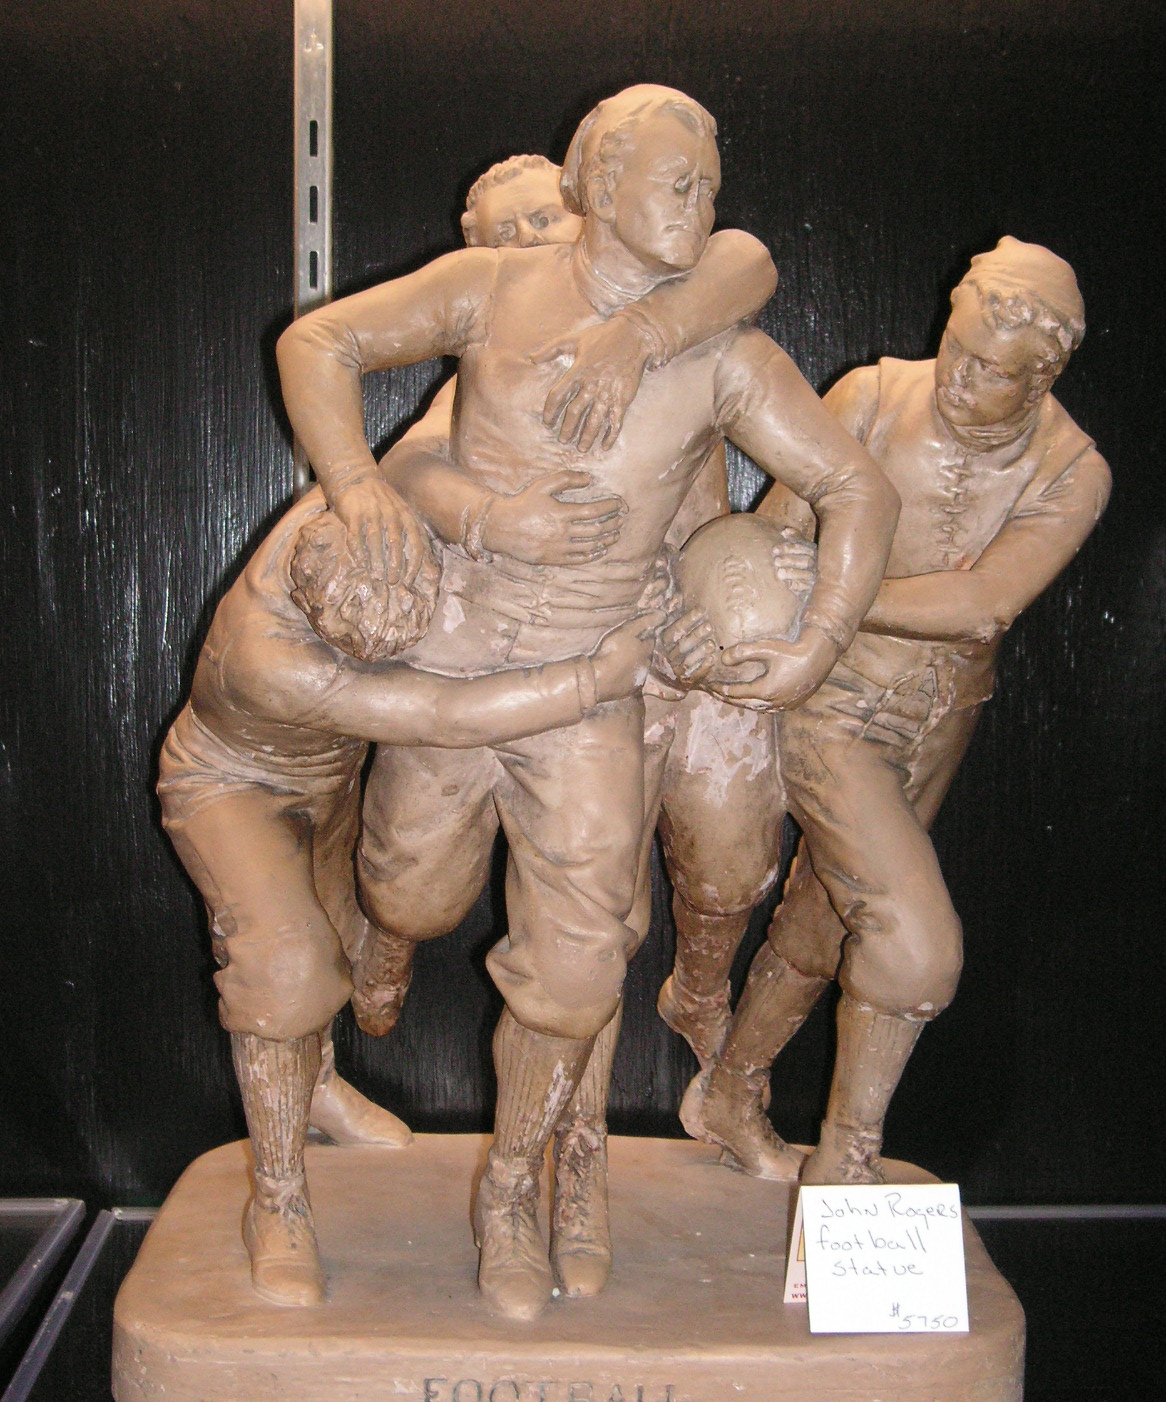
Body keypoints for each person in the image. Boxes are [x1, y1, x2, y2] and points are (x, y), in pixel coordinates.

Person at [276, 84, 899, 1318]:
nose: (701, 208)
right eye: (678, 184)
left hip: (592, 694)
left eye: (710, 189)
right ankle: (390, 931)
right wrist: (360, 488)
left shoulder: (720, 354)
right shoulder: (493, 288)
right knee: (412, 890)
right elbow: (317, 345)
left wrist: (820, 640)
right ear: (600, 184)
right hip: (457, 664)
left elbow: (857, 490)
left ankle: (516, 1187)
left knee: (572, 972)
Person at [354, 148, 788, 1302]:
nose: (530, 247)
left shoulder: (674, 317)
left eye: (544, 219)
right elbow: (409, 461)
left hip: (656, 663)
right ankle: (388, 926)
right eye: (504, 236)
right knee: (425, 891)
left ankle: (574, 1160)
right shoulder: (505, 350)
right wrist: (491, 519)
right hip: (527, 657)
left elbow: (746, 256)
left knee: (626, 916)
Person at [677, 237, 1111, 1186]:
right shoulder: (871, 397)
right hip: (831, 706)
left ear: (1041, 379)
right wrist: (779, 609)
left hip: (939, 723)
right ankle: (848, 1162)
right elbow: (774, 545)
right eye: (956, 348)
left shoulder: (1073, 470)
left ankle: (730, 1093)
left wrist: (840, 589)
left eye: (990, 372)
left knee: (826, 924)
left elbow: (986, 604)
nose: (958, 377)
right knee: (914, 947)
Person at [159, 496, 658, 1305]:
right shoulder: (268, 658)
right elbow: (438, 712)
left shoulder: (364, 515)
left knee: (338, 943)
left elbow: (433, 469)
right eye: (359, 646)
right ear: (313, 609)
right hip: (232, 784)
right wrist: (591, 680)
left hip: (332, 779)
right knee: (286, 969)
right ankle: (278, 1199)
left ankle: (316, 1086)